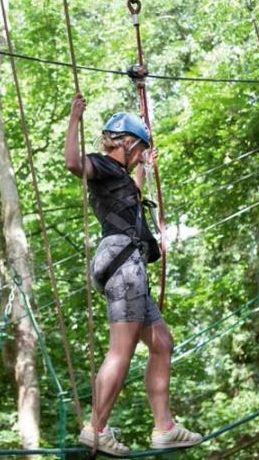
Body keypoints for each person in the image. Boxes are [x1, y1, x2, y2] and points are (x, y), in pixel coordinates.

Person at [64, 93, 203, 456]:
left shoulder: (121, 179)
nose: (141, 155)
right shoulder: (103, 166)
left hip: (131, 267)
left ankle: (164, 428)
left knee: (162, 344)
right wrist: (74, 118)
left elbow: (135, 191)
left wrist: (146, 161)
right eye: (139, 149)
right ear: (124, 144)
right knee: (121, 351)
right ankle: (96, 429)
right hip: (123, 266)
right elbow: (73, 163)